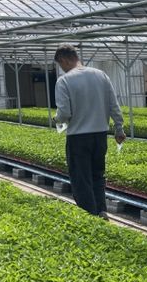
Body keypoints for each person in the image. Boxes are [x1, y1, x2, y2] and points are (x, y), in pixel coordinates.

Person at [54, 44, 126, 218]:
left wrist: (56, 120)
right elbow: (114, 106)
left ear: (64, 60)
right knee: (97, 176)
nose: (62, 68)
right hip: (100, 136)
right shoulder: (101, 75)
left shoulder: (64, 80)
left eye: (60, 64)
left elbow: (64, 113)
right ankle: (101, 211)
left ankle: (90, 218)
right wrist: (119, 129)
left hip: (78, 137)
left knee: (81, 179)